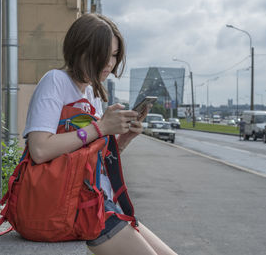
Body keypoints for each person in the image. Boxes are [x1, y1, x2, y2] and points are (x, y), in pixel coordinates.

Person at [23, 13, 177, 255]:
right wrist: (101, 127)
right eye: (103, 55)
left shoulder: (92, 94)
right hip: (72, 206)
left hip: (95, 202)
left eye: (115, 55)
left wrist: (122, 140)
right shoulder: (55, 81)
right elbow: (39, 149)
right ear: (80, 50)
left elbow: (93, 160)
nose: (110, 63)